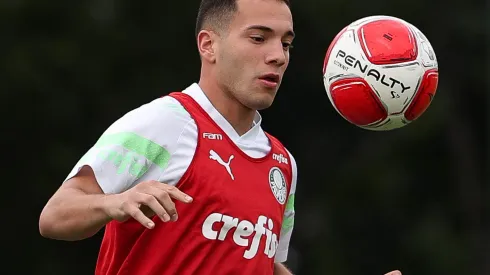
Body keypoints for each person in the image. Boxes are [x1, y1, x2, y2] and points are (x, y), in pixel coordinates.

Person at [39, 0, 403, 274]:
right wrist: (115, 203)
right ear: (208, 45)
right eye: (259, 38)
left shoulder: (282, 164)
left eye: (286, 44)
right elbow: (54, 216)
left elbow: (264, 267)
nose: (277, 56)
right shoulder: (166, 122)